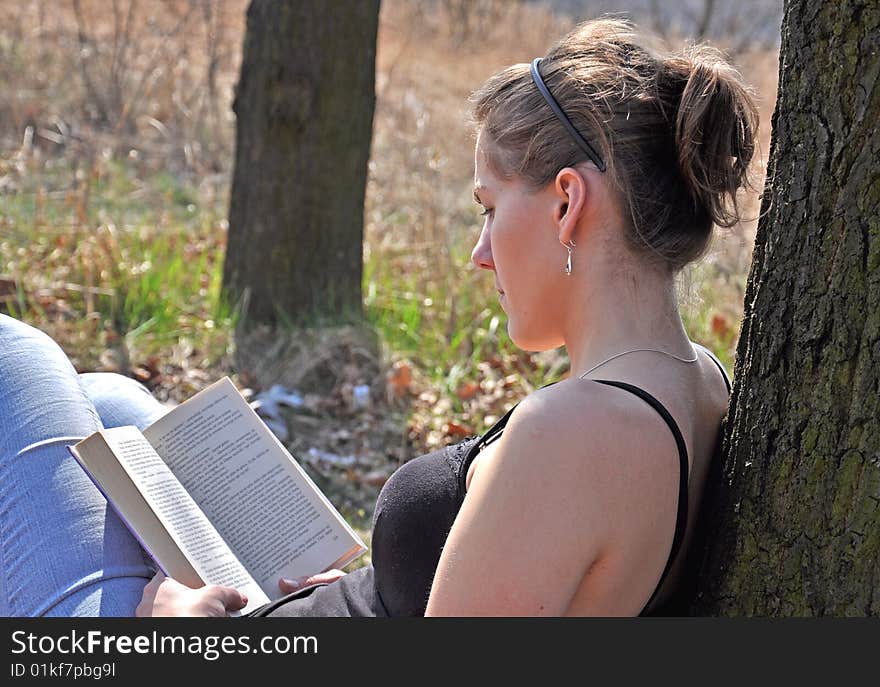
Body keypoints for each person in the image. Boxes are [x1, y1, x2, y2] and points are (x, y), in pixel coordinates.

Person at [0, 17, 755, 617]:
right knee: (109, 401)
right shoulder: (703, 385)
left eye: (490, 210)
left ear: (566, 201)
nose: (479, 253)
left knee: (18, 357)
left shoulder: (571, 433)